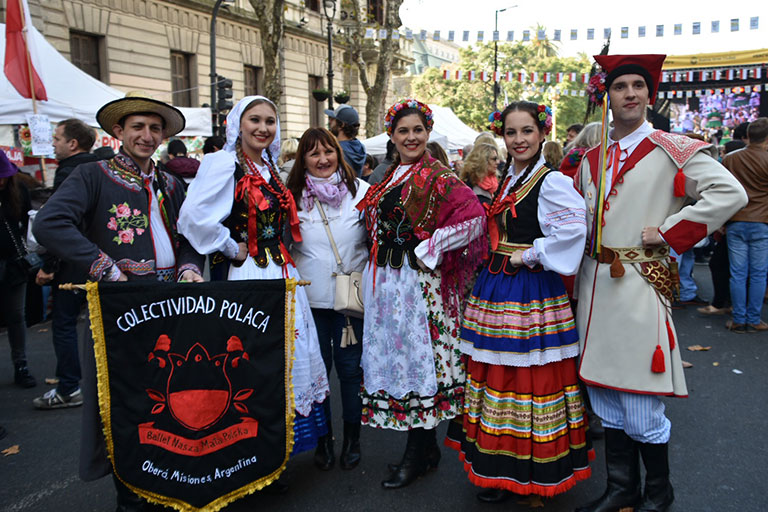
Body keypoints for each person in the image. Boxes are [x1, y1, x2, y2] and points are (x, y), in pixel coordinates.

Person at [574, 54, 747, 512]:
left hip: (637, 287)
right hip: (592, 291)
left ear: (649, 95)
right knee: (606, 396)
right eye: (620, 86)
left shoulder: (675, 148)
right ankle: (621, 490)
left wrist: (671, 232)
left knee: (639, 399)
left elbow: (730, 193)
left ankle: (658, 493)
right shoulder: (591, 159)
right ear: (607, 97)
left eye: (638, 85)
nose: (629, 93)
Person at [33, 92, 205, 510]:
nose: (147, 136)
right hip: (121, 309)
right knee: (127, 402)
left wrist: (188, 266)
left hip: (171, 306)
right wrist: (104, 267)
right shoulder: (93, 175)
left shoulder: (169, 183)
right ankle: (131, 498)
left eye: (154, 128)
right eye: (138, 127)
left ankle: (167, 484)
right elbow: (50, 223)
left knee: (168, 398)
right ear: (118, 131)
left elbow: (189, 236)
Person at [447, 101, 591, 503]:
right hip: (498, 286)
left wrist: (528, 254)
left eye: (527, 131)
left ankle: (528, 470)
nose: (519, 139)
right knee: (497, 374)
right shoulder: (510, 178)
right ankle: (498, 467)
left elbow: (573, 231)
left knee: (526, 376)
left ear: (542, 133)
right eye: (511, 132)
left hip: (529, 288)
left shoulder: (551, 181)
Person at [177, 95, 330, 463]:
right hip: (249, 275)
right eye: (255, 120)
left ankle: (292, 443)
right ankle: (258, 452)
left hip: (282, 272)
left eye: (270, 121)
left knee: (294, 353)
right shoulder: (223, 163)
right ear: (237, 125)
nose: (263, 128)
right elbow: (192, 217)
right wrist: (231, 246)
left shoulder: (269, 167)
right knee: (256, 357)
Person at [356, 99, 486, 489]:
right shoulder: (388, 175)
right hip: (387, 285)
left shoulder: (438, 176)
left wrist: (430, 248)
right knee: (401, 362)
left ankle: (417, 453)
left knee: (417, 364)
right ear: (392, 136)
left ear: (428, 133)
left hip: (416, 287)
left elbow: (474, 220)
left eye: (417, 130)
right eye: (403, 131)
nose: (411, 137)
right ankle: (426, 450)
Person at [286, 127, 370, 471]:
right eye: (314, 153)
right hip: (309, 302)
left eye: (328, 151)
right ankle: (324, 439)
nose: (323, 159)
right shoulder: (291, 197)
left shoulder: (361, 191)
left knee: (350, 371)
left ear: (338, 153)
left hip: (351, 300)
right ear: (303, 160)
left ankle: (352, 439)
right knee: (317, 372)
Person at [33, 118, 98, 409]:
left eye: (57, 138)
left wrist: (49, 264)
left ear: (72, 144)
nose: (53, 143)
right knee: (99, 324)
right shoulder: (100, 168)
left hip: (74, 263)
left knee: (64, 324)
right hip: (99, 259)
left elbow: (59, 225)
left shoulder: (70, 172)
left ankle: (69, 387)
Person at [722, 117, 768, 332]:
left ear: (748, 135)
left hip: (736, 220)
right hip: (762, 221)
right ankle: (754, 319)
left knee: (737, 273)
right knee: (758, 274)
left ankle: (739, 318)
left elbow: (722, 191)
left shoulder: (731, 159)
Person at [0, 150, 37, 389]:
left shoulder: (17, 191)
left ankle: (21, 365)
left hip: (14, 263)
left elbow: (27, 222)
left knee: (16, 316)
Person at [325, 105, 366, 177]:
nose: (329, 121)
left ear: (342, 125)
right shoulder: (360, 147)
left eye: (333, 119)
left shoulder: (337, 150)